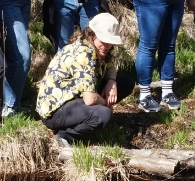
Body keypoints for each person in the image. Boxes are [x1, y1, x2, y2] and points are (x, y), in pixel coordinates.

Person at [36, 13, 134, 147]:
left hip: (75, 97)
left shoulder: (95, 47)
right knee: (103, 114)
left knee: (125, 82)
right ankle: (65, 135)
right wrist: (106, 104)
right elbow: (90, 99)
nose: (107, 46)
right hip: (56, 110)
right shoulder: (84, 54)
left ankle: (86, 121)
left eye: (110, 42)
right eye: (103, 41)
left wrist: (111, 81)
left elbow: (110, 66)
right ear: (92, 35)